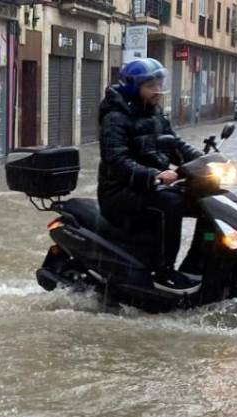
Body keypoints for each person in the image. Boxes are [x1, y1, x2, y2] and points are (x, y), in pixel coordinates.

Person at [97, 58, 203, 293]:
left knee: (203, 201)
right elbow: (117, 160)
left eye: (159, 84)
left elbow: (176, 145)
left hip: (150, 187)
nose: (158, 90)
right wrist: (155, 175)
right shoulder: (115, 117)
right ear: (134, 87)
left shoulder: (154, 113)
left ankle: (200, 264)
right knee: (172, 203)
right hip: (120, 192)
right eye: (151, 85)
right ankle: (162, 272)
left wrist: (204, 160)